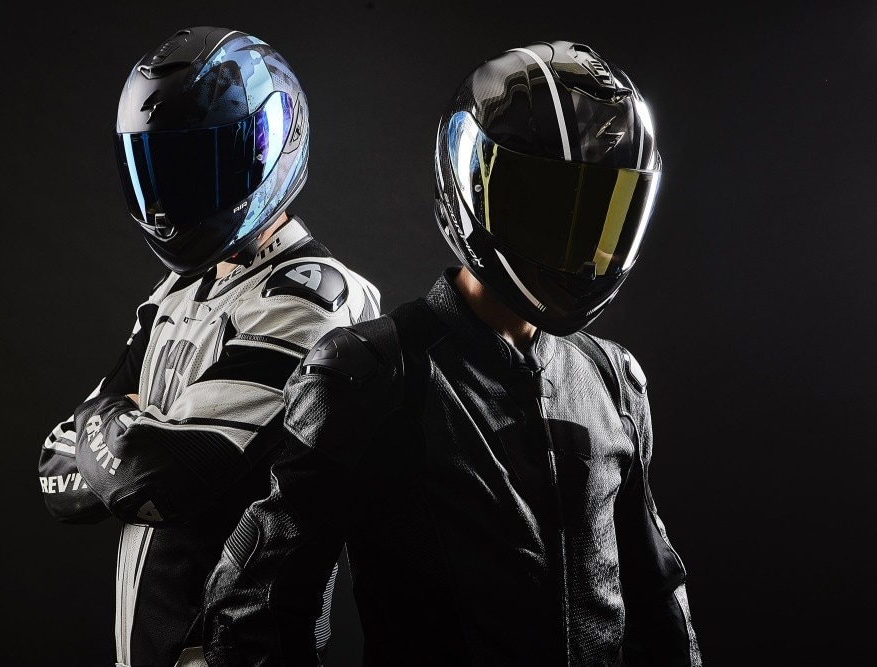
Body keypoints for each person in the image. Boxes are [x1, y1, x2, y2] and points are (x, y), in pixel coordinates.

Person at [202, 40, 700, 666]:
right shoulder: (370, 374)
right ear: (480, 190)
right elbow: (256, 608)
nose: (577, 244)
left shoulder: (612, 380)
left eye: (599, 210)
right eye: (552, 207)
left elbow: (657, 599)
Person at [37, 26, 380, 667]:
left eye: (198, 166)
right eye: (159, 168)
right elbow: (56, 479)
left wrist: (107, 423)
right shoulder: (174, 294)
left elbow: (161, 478)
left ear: (266, 151)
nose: (172, 196)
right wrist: (122, 436)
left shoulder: (315, 296)